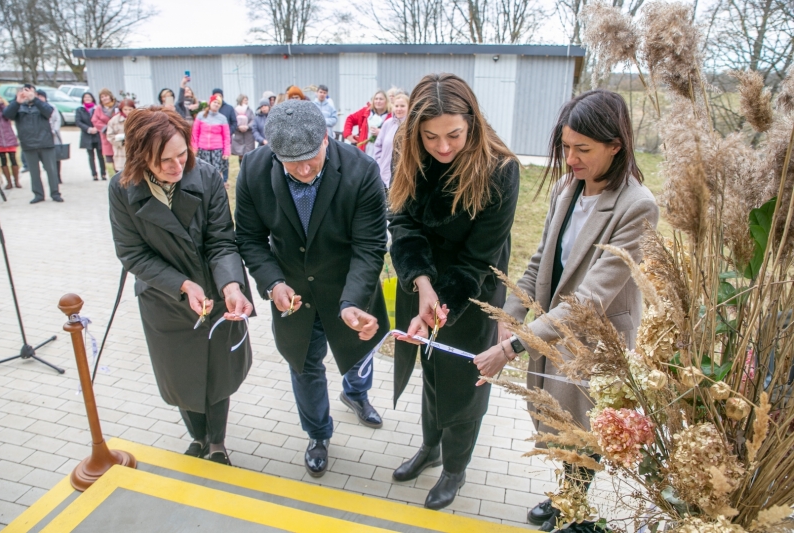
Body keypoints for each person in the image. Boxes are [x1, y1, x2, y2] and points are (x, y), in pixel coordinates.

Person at [473, 89, 660, 531]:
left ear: (616, 145)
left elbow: (592, 297)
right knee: (558, 425)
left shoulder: (638, 206)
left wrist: (519, 343)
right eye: (565, 147)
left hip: (595, 341)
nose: (570, 158)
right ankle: (566, 500)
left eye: (583, 149)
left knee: (586, 429)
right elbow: (540, 259)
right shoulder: (565, 188)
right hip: (550, 329)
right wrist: (510, 315)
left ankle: (578, 514)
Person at [234, 100, 388, 478]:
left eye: (311, 158)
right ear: (272, 151)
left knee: (358, 350)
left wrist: (353, 300)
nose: (303, 170)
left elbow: (369, 246)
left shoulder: (362, 170)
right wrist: (272, 283)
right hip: (292, 292)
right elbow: (250, 239)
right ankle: (318, 434)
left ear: (326, 138)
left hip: (348, 283)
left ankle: (356, 392)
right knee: (304, 364)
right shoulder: (253, 171)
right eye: (291, 162)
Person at [388, 73, 520, 511]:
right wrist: (421, 283)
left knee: (463, 379)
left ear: (473, 123)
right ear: (414, 132)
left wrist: (439, 305)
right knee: (430, 370)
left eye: (454, 135)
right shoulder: (406, 153)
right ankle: (431, 447)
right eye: (430, 137)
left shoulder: (500, 169)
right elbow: (402, 223)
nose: (442, 147)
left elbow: (477, 259)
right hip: (421, 281)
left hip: (470, 290)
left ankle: (455, 466)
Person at [109, 106, 254, 466]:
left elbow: (222, 240)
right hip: (165, 298)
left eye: (182, 155)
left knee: (218, 372)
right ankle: (197, 436)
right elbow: (132, 254)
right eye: (164, 161)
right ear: (140, 157)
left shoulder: (205, 176)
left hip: (216, 293)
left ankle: (217, 441)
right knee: (180, 376)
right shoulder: (122, 189)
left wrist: (232, 286)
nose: (176, 167)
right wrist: (182, 284)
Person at [3, 84, 62, 203]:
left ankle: (55, 193)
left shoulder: (41, 104)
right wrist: (17, 101)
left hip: (45, 143)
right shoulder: (17, 106)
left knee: (51, 170)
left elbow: (49, 112)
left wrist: (34, 99)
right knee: (34, 172)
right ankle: (38, 195)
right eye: (24, 91)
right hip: (28, 144)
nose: (27, 94)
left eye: (30, 91)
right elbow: (7, 115)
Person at [192, 95, 230, 187]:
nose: (216, 104)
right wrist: (194, 147)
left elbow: (226, 136)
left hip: (217, 150)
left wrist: (226, 151)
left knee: (217, 171)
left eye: (218, 103)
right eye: (215, 102)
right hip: (203, 149)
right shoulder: (201, 116)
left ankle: (219, 189)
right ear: (210, 103)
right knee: (203, 171)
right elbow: (195, 132)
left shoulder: (222, 118)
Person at [373, 93, 408, 190]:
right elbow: (378, 145)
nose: (399, 109)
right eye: (396, 106)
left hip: (403, 172)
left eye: (402, 106)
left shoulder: (411, 125)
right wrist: (380, 162)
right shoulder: (387, 124)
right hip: (385, 171)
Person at [343, 90, 390, 155]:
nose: (378, 101)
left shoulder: (391, 115)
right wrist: (348, 134)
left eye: (381, 99)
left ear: (386, 101)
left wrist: (382, 133)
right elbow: (350, 119)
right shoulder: (366, 112)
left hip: (382, 152)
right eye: (376, 99)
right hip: (364, 150)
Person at [76, 92, 108, 181]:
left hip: (98, 135)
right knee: (91, 157)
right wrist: (89, 129)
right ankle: (94, 174)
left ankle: (103, 174)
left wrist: (97, 127)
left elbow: (100, 119)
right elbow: (78, 122)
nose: (87, 98)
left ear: (92, 98)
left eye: (89, 97)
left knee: (101, 156)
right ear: (82, 99)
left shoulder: (97, 108)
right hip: (87, 135)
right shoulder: (80, 109)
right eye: (85, 97)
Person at [0, 89, 20, 189]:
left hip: (9, 136)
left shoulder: (4, 107)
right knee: (3, 160)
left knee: (13, 159)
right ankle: (9, 182)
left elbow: (9, 113)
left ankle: (16, 181)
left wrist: (2, 102)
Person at [36, 90, 63, 184]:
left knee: (57, 157)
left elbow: (57, 119)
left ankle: (58, 176)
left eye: (41, 96)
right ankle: (51, 175)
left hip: (53, 134)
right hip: (42, 136)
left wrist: (54, 130)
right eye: (38, 96)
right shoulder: (35, 108)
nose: (40, 98)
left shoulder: (52, 107)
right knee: (46, 157)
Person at [211, 89, 237, 182]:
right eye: (216, 96)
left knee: (224, 160)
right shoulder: (209, 110)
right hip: (213, 141)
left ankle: (224, 180)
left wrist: (228, 132)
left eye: (220, 96)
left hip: (225, 138)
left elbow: (234, 122)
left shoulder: (229, 108)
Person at [106, 99, 135, 173]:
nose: (127, 112)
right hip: (120, 151)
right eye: (125, 109)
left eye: (130, 109)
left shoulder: (138, 119)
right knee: (121, 175)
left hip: (134, 150)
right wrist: (121, 142)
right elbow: (110, 136)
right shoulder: (114, 121)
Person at [92, 88, 118, 167]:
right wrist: (106, 128)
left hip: (118, 133)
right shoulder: (99, 108)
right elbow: (95, 120)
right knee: (110, 159)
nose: (104, 98)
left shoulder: (118, 106)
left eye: (106, 96)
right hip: (106, 134)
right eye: (102, 97)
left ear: (110, 96)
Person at [232, 94, 255, 164]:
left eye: (247, 100)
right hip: (239, 135)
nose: (246, 101)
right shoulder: (235, 110)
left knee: (249, 154)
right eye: (245, 100)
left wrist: (247, 126)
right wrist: (238, 126)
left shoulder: (249, 110)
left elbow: (253, 120)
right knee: (240, 154)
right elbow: (233, 120)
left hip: (248, 136)